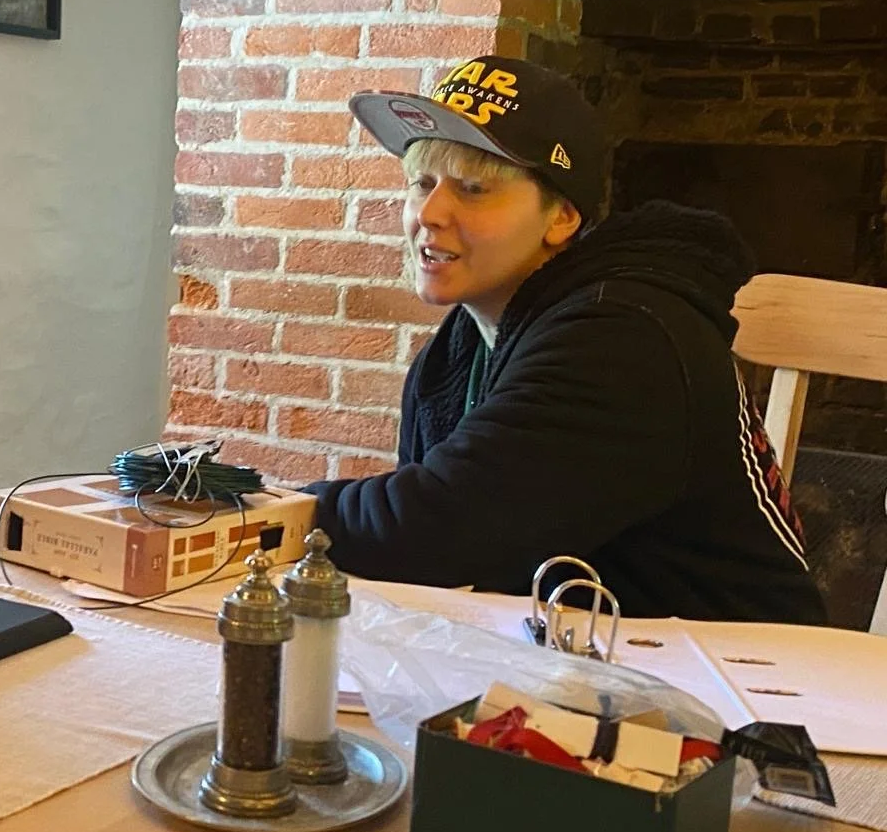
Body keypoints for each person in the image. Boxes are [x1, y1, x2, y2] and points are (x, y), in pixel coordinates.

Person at [309, 55, 825, 624]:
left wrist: (265, 511)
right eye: (422, 183)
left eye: (474, 188)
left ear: (561, 218)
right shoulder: (462, 346)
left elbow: (434, 532)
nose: (429, 213)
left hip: (752, 684)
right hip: (594, 659)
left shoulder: (624, 337)